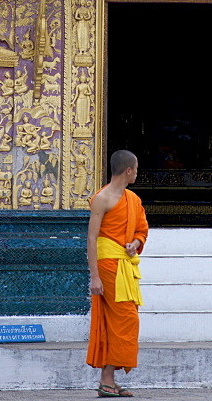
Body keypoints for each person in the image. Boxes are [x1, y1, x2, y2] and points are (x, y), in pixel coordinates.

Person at [86, 150, 148, 398]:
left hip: (125, 263)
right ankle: (107, 378)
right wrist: (94, 277)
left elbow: (142, 229)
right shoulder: (102, 198)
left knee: (122, 320)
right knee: (126, 319)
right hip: (108, 265)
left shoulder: (132, 199)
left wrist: (135, 242)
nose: (137, 172)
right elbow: (92, 238)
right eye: (136, 168)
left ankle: (108, 380)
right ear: (129, 171)